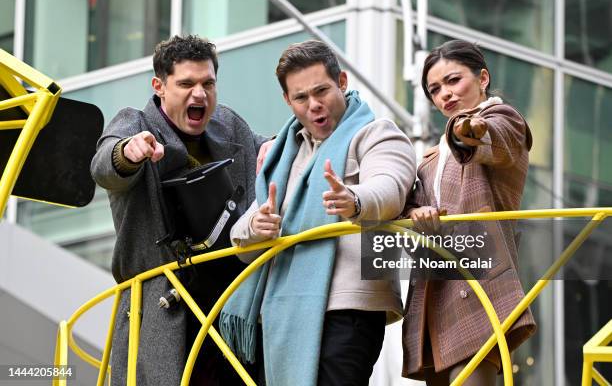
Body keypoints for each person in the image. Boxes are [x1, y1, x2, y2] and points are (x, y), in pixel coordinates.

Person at [219, 39, 416, 386]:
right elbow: (240, 232)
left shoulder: (376, 133)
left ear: (342, 82)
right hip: (280, 315)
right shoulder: (283, 154)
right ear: (287, 100)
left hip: (346, 309)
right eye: (301, 97)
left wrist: (354, 199)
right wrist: (258, 224)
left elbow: (390, 187)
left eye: (321, 90)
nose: (314, 105)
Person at [90, 34, 268, 385]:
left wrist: (282, 143)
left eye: (208, 83)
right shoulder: (135, 123)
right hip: (164, 309)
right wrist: (129, 151)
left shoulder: (230, 125)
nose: (199, 94)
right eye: (186, 83)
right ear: (159, 86)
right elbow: (103, 166)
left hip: (234, 306)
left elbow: (268, 148)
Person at [401, 39, 537, 385]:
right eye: (434, 89)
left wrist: (469, 130)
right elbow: (411, 208)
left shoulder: (502, 117)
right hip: (435, 291)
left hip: (479, 284)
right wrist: (418, 216)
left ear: (483, 78)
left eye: (453, 80)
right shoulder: (431, 159)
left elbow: (493, 138)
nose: (444, 94)